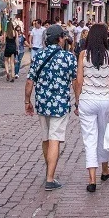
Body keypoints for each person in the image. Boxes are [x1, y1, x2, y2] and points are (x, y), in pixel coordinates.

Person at [25, 24, 78, 191]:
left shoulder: (39, 56)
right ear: (60, 39)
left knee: (46, 138)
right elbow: (75, 81)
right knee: (55, 138)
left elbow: (29, 81)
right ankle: (50, 177)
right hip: (60, 104)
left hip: (42, 103)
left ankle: (50, 169)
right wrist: (78, 101)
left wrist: (27, 101)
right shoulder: (68, 57)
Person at [73, 23, 109, 192]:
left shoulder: (83, 55)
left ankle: (92, 179)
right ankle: (105, 169)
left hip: (87, 100)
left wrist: (77, 102)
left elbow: (79, 81)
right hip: (106, 100)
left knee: (90, 139)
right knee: (105, 136)